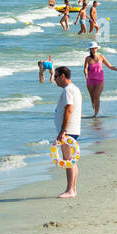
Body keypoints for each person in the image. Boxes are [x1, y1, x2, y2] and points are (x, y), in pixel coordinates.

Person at [53, 65, 81, 198]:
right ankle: (72, 189)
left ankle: (70, 189)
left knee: (68, 159)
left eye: (56, 76)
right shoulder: (74, 89)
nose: (54, 79)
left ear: (63, 76)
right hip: (72, 128)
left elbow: (68, 109)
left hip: (68, 130)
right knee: (71, 159)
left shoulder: (68, 90)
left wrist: (63, 130)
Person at [84, 42, 117, 116]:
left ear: (97, 48)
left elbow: (110, 66)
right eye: (92, 48)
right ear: (90, 49)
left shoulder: (101, 57)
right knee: (92, 98)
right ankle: (95, 110)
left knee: (96, 96)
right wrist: (86, 74)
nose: (94, 49)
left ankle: (96, 114)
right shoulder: (88, 58)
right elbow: (85, 68)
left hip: (100, 80)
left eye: (95, 48)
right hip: (90, 80)